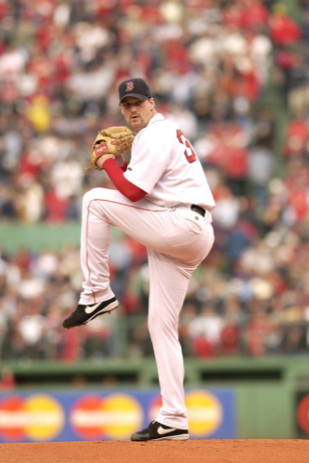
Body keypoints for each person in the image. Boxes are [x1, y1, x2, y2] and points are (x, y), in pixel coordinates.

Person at [62, 77, 216, 441]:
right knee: (160, 326)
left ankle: (97, 293)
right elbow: (141, 194)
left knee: (93, 201)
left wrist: (108, 161)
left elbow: (130, 192)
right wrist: (121, 163)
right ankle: (174, 417)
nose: (132, 110)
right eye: (126, 105)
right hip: (183, 230)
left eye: (138, 102)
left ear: (152, 104)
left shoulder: (157, 134)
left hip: (182, 224)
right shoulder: (158, 136)